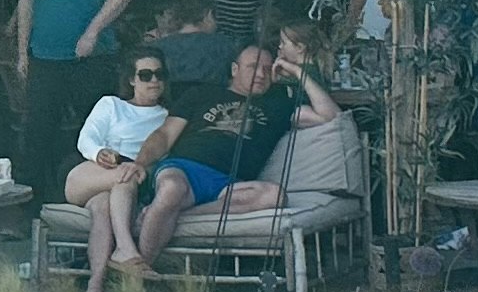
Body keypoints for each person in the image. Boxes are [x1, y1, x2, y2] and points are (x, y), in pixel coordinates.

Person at [136, 34, 346, 266]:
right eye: (252, 67)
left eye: (268, 69)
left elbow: (331, 116)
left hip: (230, 186)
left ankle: (170, 213)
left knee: (274, 196)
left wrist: (297, 72)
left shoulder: (278, 104)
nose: (261, 74)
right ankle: (140, 269)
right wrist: (139, 163)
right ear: (235, 69)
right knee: (172, 189)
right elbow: (164, 136)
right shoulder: (202, 94)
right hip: (185, 169)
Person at [13, 0, 135, 201]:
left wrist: (93, 31)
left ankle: (104, 203)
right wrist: (22, 50)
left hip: (90, 60)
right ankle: (34, 213)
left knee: (98, 138)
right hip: (45, 58)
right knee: (37, 136)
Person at [63, 50, 182, 292]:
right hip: (93, 173)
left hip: (130, 180)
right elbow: (87, 138)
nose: (154, 81)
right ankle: (126, 250)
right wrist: (99, 152)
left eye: (159, 75)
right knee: (124, 176)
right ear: (131, 80)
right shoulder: (111, 105)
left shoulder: (167, 117)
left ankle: (95, 288)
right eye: (145, 75)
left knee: (103, 210)